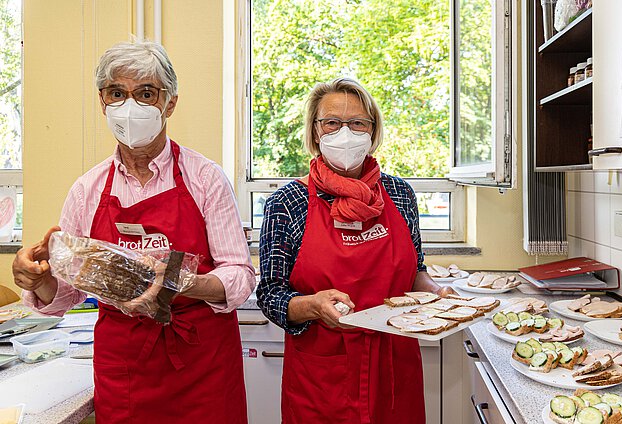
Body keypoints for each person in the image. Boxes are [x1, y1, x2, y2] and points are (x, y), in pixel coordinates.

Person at [12, 41, 254, 423]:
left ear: (170, 103)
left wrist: (178, 281)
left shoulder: (205, 179)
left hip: (200, 363)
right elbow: (68, 290)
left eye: (145, 94)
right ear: (102, 101)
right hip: (124, 366)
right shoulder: (87, 190)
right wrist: (37, 280)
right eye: (117, 94)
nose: (130, 107)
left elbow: (239, 275)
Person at [257, 78, 454, 424]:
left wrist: (438, 293)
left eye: (357, 123)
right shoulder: (287, 203)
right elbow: (270, 295)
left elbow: (416, 271)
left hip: (395, 366)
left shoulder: (400, 194)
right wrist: (314, 306)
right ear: (316, 132)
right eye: (332, 122)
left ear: (372, 131)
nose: (345, 132)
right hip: (322, 375)